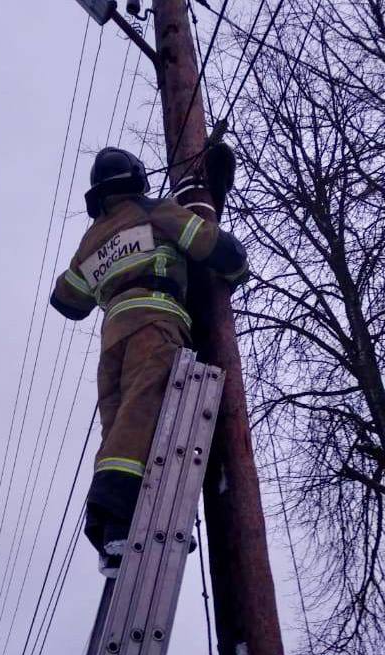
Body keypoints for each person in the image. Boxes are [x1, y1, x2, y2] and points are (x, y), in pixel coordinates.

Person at [50, 147, 248, 577]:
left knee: (120, 426)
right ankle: (118, 520)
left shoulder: (92, 240)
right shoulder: (154, 211)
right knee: (147, 416)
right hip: (155, 322)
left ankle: (112, 532)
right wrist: (234, 263)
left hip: (112, 339)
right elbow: (209, 243)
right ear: (136, 179)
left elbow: (66, 299)